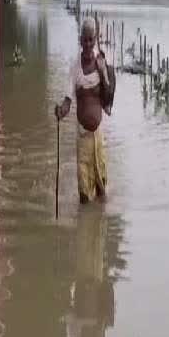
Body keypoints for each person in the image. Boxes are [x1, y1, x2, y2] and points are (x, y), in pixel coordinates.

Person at [55, 17, 113, 204]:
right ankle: (86, 224)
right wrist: (60, 112)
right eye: (85, 39)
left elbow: (109, 95)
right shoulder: (74, 68)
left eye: (91, 39)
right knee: (84, 192)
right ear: (80, 40)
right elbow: (67, 101)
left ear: (95, 39)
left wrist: (104, 74)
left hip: (98, 137)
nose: (88, 43)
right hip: (82, 136)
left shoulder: (101, 64)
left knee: (102, 186)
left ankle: (99, 221)